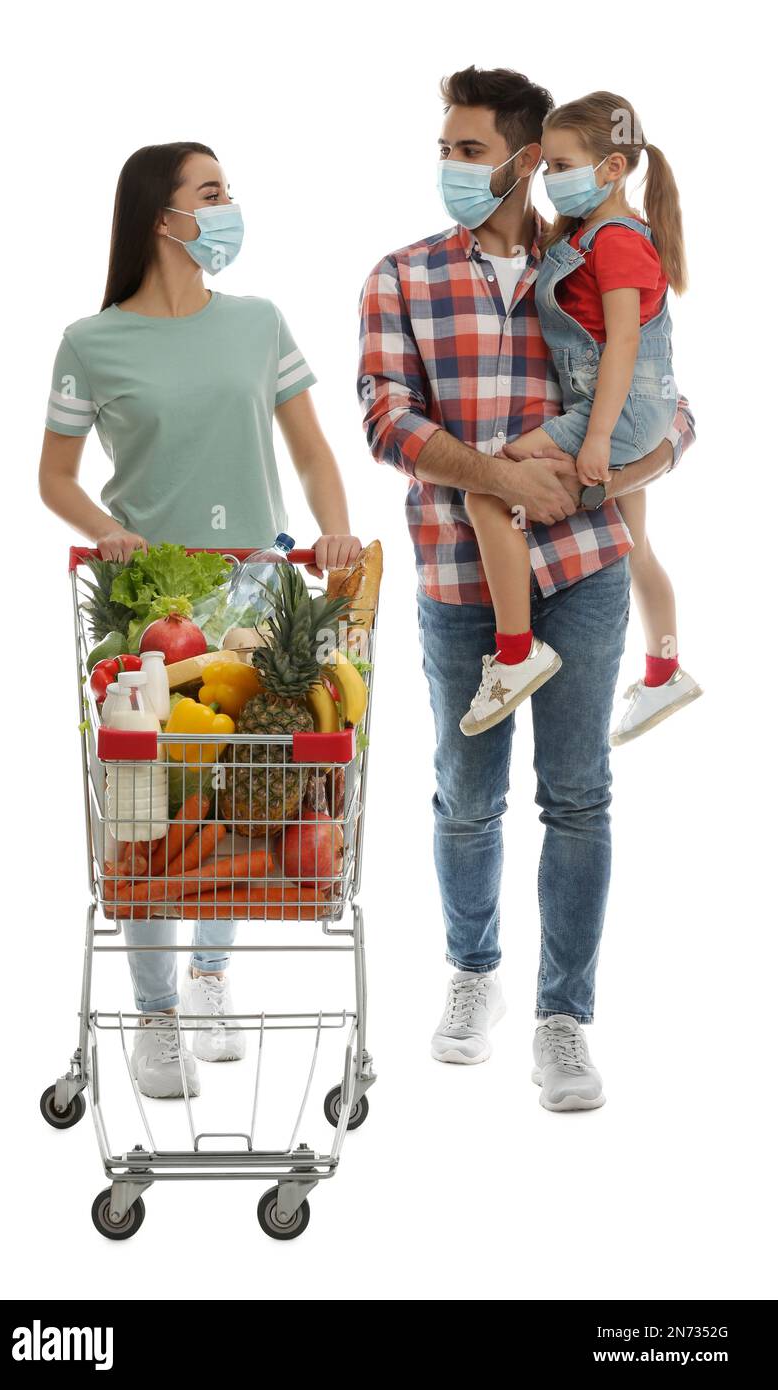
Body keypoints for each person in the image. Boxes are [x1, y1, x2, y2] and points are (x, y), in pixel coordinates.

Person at [358, 67, 696, 1110]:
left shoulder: (590, 257)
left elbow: (670, 409)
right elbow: (386, 421)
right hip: (463, 571)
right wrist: (501, 477)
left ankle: (564, 1017)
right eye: (446, 149)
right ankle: (473, 974)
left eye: (468, 150)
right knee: (468, 796)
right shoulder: (401, 276)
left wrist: (608, 471)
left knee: (580, 795)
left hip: (585, 567)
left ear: (519, 157)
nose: (450, 167)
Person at [40, 141, 361, 1099]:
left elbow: (309, 452)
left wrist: (336, 534)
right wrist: (109, 535)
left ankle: (211, 979)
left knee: (237, 795)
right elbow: (54, 478)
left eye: (228, 192)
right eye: (211, 193)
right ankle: (156, 1016)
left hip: (257, 592)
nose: (228, 209)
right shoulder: (90, 342)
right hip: (145, 607)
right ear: (160, 217)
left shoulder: (259, 323)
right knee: (147, 810)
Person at [460, 90, 702, 741]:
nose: (553, 180)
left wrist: (596, 441)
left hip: (618, 412)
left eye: (564, 166)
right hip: (636, 407)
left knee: (488, 488)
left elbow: (623, 341)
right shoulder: (591, 234)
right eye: (549, 168)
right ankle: (665, 672)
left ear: (613, 168)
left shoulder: (616, 242)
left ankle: (516, 655)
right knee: (636, 545)